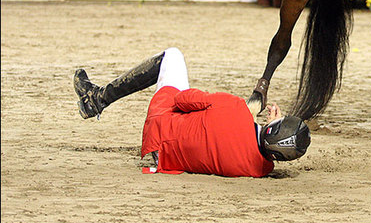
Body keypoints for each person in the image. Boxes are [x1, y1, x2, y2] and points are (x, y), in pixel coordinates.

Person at [73, 47, 310, 177]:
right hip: (162, 158)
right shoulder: (260, 169)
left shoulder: (235, 107)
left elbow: (182, 99)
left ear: (272, 126)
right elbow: (257, 144)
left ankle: (97, 99)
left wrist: (219, 107)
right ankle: (97, 100)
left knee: (173, 55)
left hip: (159, 126)